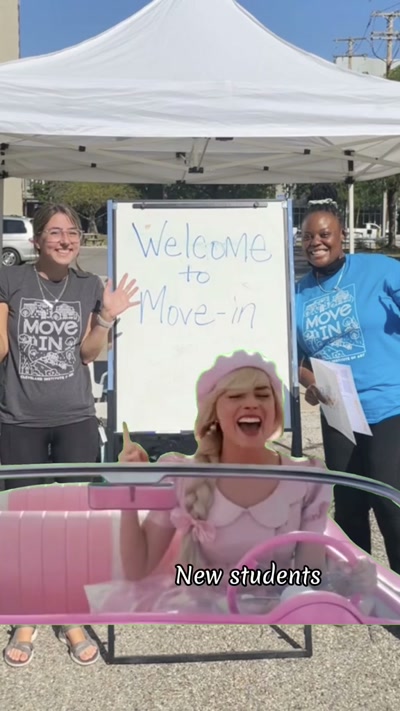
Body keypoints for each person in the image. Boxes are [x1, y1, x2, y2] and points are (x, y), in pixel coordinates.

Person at [114, 350, 375, 614]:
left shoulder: (307, 479)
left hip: (275, 620)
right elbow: (137, 569)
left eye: (262, 395)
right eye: (236, 396)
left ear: (275, 409)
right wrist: (128, 486)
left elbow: (309, 578)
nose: (251, 403)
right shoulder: (180, 474)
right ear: (214, 411)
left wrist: (344, 582)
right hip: (200, 620)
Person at [1, 203, 139, 668]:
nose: (66, 240)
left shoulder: (89, 287)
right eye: (55, 232)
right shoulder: (11, 280)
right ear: (36, 239)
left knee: (72, 524)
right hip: (18, 420)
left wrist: (106, 318)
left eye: (73, 232)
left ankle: (70, 614)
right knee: (25, 523)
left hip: (75, 419)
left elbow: (87, 354)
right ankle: (27, 615)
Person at [295, 183, 400, 576]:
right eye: (308, 237)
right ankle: (358, 588)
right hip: (338, 412)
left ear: (341, 236)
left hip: (389, 405)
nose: (316, 242)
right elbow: (294, 357)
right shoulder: (298, 294)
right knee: (350, 505)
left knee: (390, 501)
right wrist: (309, 382)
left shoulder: (380, 269)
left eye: (324, 234)